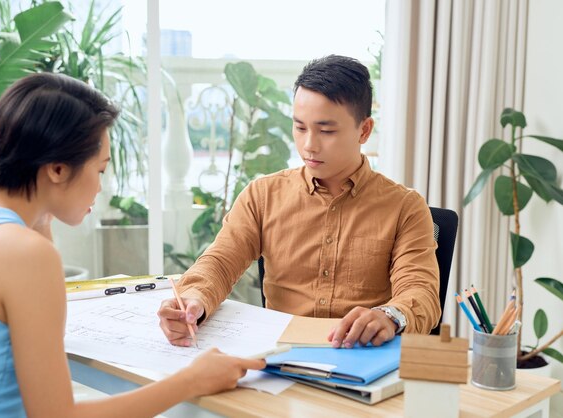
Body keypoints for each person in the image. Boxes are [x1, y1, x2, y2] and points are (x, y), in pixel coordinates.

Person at [0, 73, 264, 418]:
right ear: (58, 169)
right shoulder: (25, 255)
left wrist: (43, 212)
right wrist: (191, 380)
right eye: (101, 170)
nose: (99, 188)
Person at [158, 55, 441, 349]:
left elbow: (420, 292)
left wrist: (389, 315)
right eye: (300, 127)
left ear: (364, 130)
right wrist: (193, 300)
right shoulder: (263, 196)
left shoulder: (405, 207)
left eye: (326, 131)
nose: (309, 145)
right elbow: (219, 263)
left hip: (362, 357)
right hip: (278, 358)